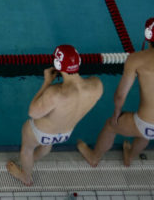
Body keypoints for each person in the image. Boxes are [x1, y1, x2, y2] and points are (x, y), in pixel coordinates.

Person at [77, 17, 154, 166]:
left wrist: (117, 113)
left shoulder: (136, 59)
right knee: (144, 129)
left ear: (147, 35)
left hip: (147, 124)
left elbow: (120, 95)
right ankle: (129, 157)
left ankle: (94, 157)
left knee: (111, 125)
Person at [6, 44, 103, 186]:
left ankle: (25, 176)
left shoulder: (56, 93)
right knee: (46, 144)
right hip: (65, 134)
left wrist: (46, 83)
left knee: (26, 149)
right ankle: (32, 160)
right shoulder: (96, 84)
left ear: (57, 64)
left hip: (40, 133)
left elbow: (32, 112)